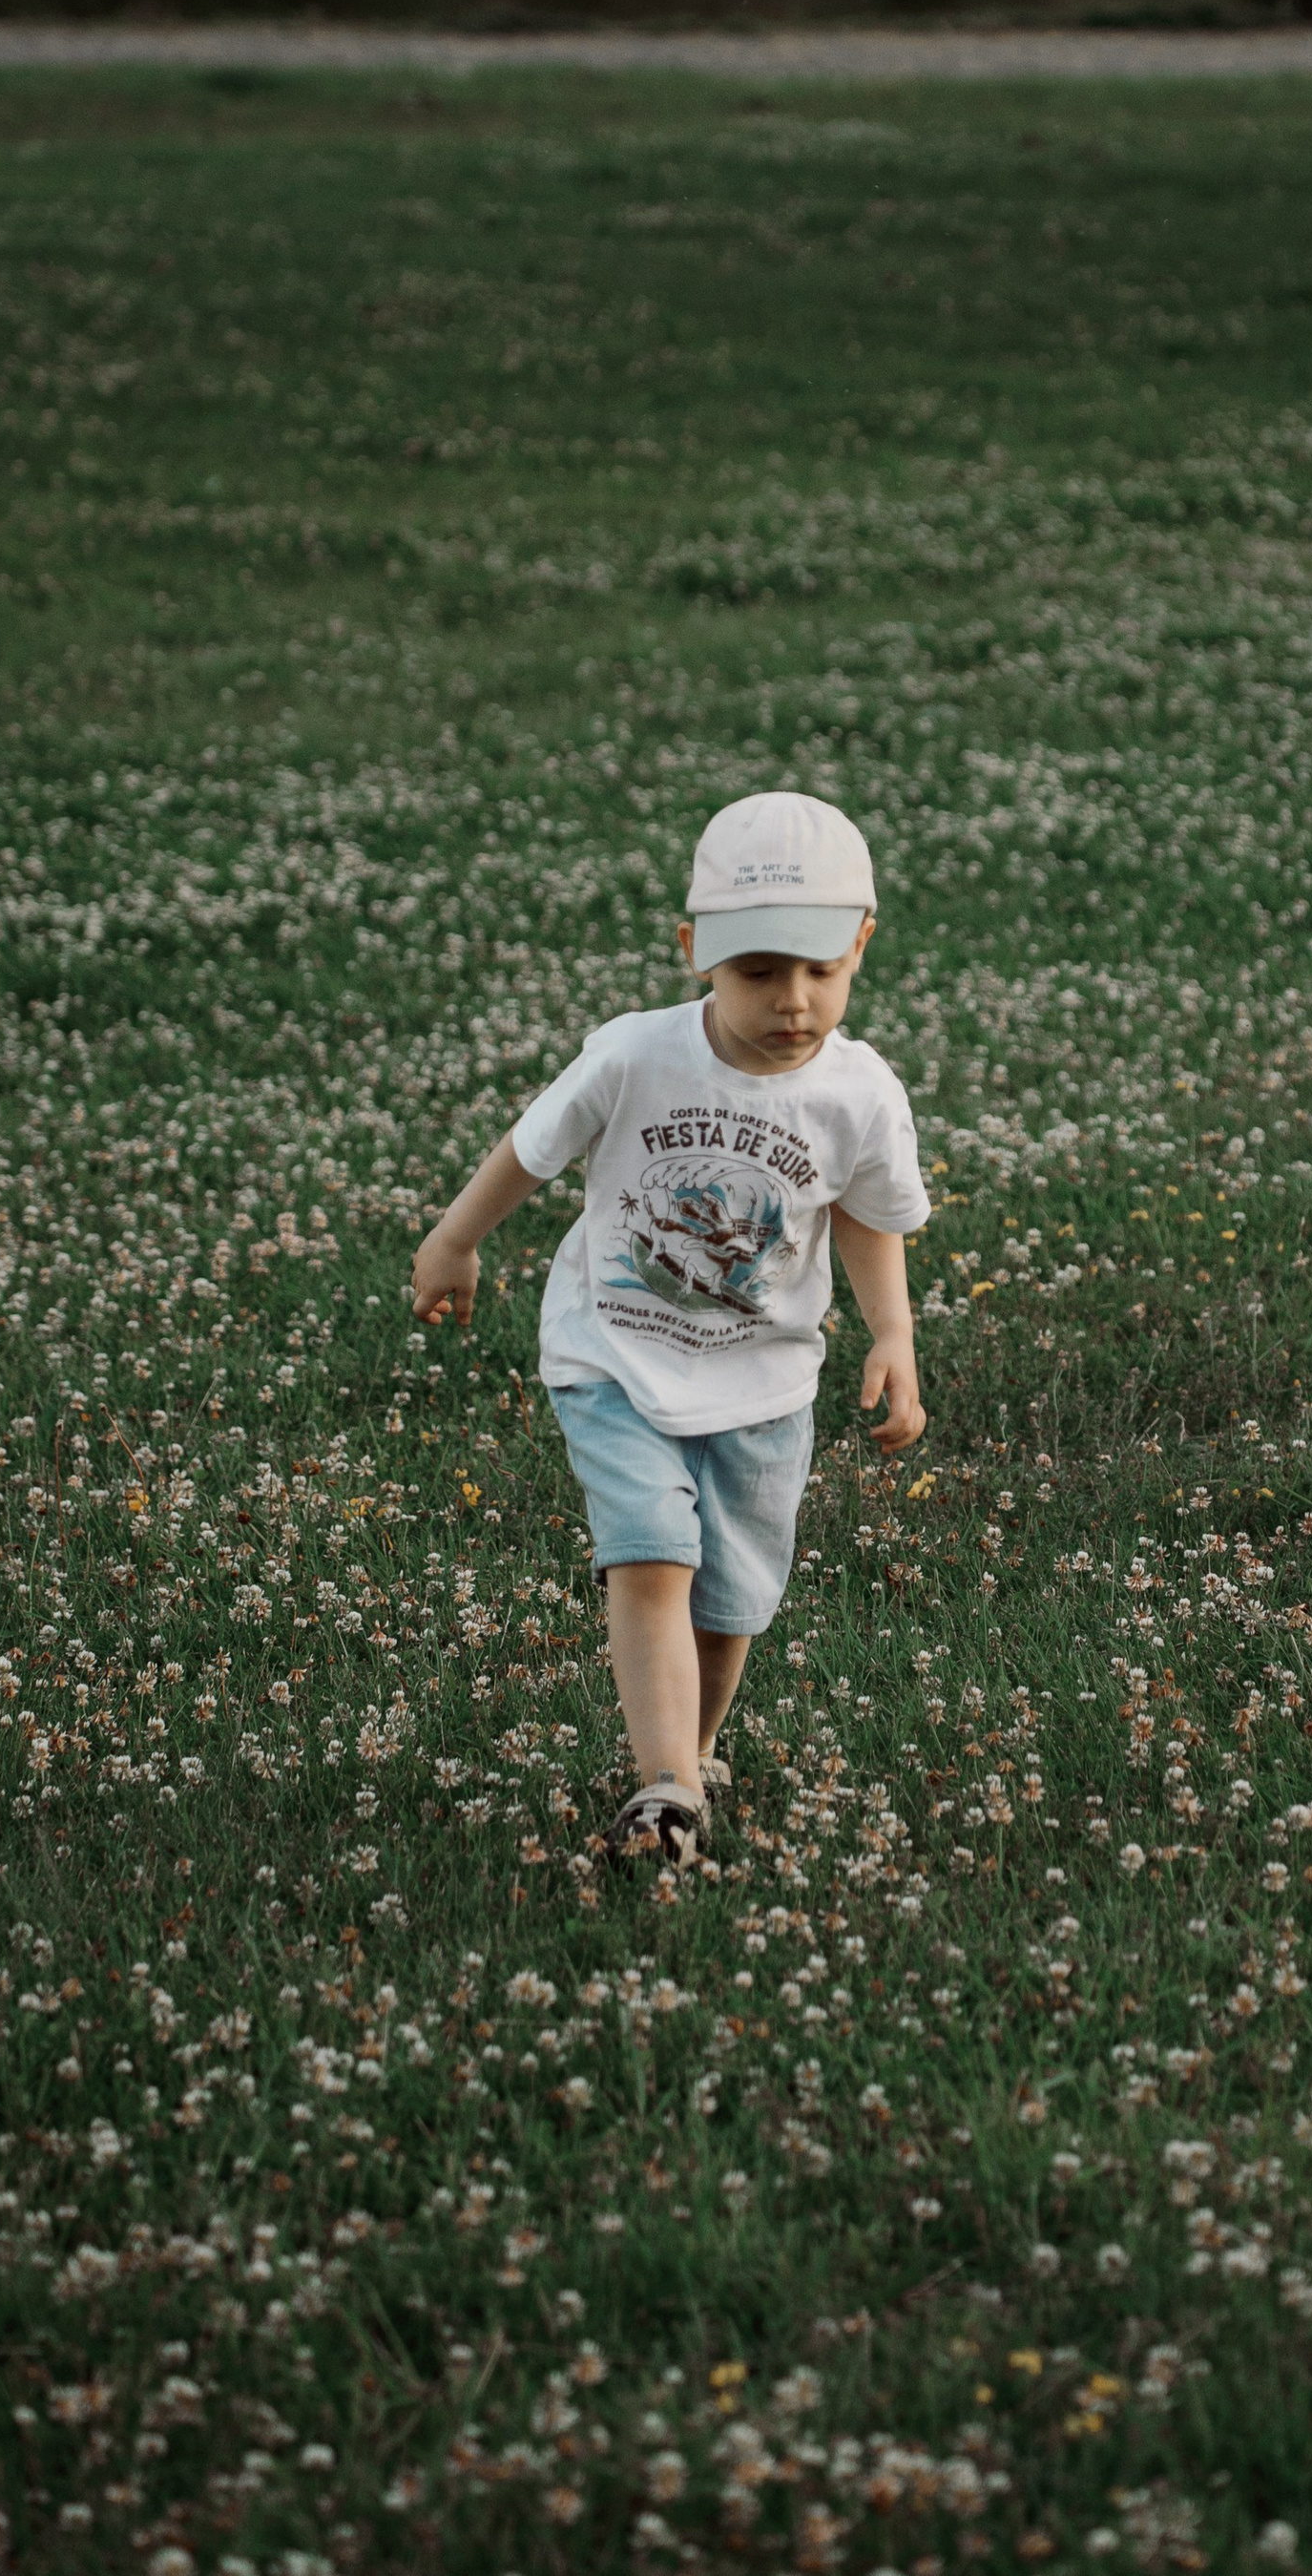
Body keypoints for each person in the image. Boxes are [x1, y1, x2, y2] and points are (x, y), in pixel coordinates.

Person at [412, 790, 929, 1871]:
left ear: (862, 947)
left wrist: (894, 1338)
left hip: (766, 1381)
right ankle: (668, 1785)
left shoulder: (862, 1094)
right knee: (650, 1555)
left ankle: (685, 1761)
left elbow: (871, 1222)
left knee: (733, 1600)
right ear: (693, 948)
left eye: (819, 971)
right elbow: (530, 1149)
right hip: (612, 1352)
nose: (790, 1000)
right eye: (756, 971)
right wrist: (455, 1241)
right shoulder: (634, 1055)